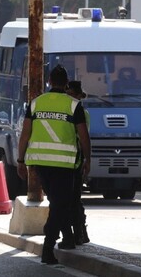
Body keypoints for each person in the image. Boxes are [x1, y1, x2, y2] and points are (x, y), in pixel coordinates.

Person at [16, 65, 90, 265]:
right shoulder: (74, 105)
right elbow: (84, 136)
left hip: (40, 164)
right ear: (66, 83)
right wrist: (87, 160)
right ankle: (49, 247)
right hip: (65, 165)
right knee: (60, 205)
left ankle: (60, 240)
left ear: (49, 81)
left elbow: (25, 134)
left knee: (57, 204)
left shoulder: (35, 103)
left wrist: (20, 160)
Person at [66, 80, 90, 245]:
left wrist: (86, 160)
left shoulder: (80, 111)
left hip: (74, 161)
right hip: (71, 160)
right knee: (72, 200)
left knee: (73, 200)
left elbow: (82, 138)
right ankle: (78, 232)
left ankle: (79, 232)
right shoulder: (76, 109)